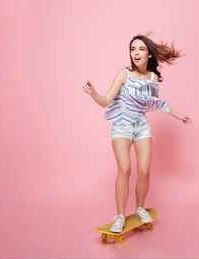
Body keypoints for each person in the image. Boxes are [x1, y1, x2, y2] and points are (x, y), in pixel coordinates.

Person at [82, 33, 191, 233]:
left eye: (141, 49)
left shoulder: (152, 78)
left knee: (144, 171)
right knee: (124, 169)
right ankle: (120, 217)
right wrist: (93, 93)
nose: (136, 53)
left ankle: (140, 208)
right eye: (133, 49)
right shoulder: (123, 74)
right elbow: (106, 101)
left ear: (149, 54)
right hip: (122, 126)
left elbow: (155, 103)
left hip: (141, 126)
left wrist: (178, 115)